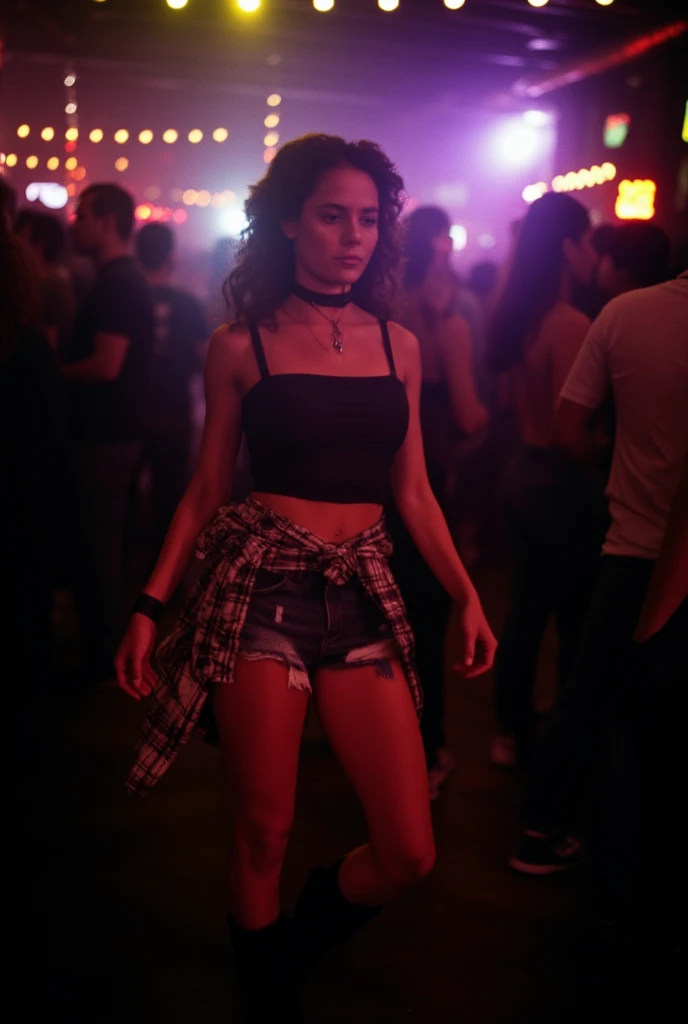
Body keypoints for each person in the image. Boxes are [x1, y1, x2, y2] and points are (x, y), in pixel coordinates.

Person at [115, 134, 497, 1021]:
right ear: (288, 222)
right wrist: (148, 604)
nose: (354, 236)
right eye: (333, 215)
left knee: (409, 849)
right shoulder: (238, 344)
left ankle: (291, 945)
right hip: (263, 595)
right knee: (265, 829)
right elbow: (208, 487)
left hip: (363, 593)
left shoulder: (401, 342)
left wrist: (469, 594)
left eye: (368, 219)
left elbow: (414, 491)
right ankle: (269, 993)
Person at [510, 268, 688, 952]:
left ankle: (568, 845)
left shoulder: (621, 315)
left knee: (598, 703)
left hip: (628, 546)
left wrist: (625, 461)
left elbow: (567, 430)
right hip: (658, 555)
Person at [486, 192, 609, 769]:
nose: (593, 253)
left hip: (520, 470)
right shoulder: (572, 324)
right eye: (587, 241)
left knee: (525, 612)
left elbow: (514, 405)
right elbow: (570, 430)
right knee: (574, 619)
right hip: (559, 483)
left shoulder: (516, 315)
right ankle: (566, 741)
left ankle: (510, 730)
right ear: (567, 247)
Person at [390, 205, 487, 799]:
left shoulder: (379, 320)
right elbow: (469, 412)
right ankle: (429, 750)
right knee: (425, 628)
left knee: (380, 620)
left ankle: (377, 739)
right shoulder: (447, 326)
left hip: (371, 491)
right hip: (423, 489)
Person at [65, 183, 155, 683]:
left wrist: (51, 371)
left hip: (105, 437)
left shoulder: (117, 283)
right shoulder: (121, 279)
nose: (75, 224)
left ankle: (101, 658)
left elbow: (107, 363)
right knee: (100, 545)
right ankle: (102, 650)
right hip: (114, 433)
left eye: (82, 215)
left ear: (104, 221)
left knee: (96, 547)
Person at [134, 222, 208, 554]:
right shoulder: (188, 304)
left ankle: (123, 569)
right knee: (170, 497)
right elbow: (203, 357)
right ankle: (163, 577)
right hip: (174, 410)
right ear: (172, 257)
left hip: (130, 411)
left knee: (124, 499)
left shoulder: (128, 298)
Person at [15, 209, 75, 361]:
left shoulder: (50, 284)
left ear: (38, 246)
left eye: (21, 240)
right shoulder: (58, 279)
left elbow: (48, 347)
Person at [596, 220, 670, 299]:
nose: (596, 260)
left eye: (605, 257)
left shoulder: (616, 309)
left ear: (622, 271)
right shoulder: (665, 301)